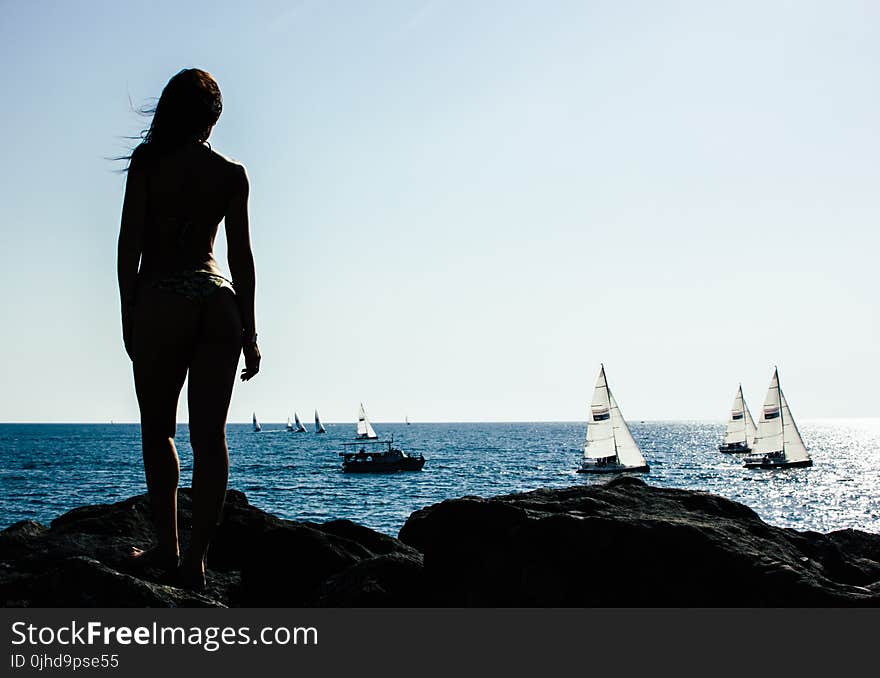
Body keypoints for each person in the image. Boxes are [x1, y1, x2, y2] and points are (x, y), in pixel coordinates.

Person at [117, 68, 260, 589]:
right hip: (219, 300)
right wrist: (251, 332)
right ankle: (196, 561)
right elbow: (241, 258)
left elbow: (129, 245)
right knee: (211, 437)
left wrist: (127, 311)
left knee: (159, 431)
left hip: (165, 298)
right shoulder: (231, 172)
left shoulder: (149, 163)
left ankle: (167, 547)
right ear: (212, 118)